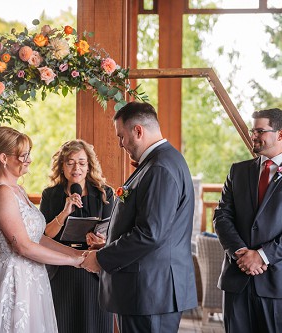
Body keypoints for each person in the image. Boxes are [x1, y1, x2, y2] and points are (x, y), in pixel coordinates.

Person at [82, 101, 198, 333]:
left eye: (121, 136)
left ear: (138, 131)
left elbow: (150, 234)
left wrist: (103, 258)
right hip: (148, 289)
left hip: (151, 291)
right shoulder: (160, 162)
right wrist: (110, 242)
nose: (120, 144)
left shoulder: (160, 168)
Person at [0, 126, 85, 333]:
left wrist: (77, 253)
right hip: (14, 279)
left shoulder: (18, 190)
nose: (29, 160)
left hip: (32, 277)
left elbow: (37, 238)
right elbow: (24, 247)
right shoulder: (2, 193)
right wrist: (74, 262)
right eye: (24, 155)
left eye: (29, 154)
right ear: (4, 158)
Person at [213, 108, 282, 333]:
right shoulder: (237, 171)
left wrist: (262, 256)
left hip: (280, 280)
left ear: (280, 135)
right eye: (253, 130)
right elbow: (222, 215)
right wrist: (240, 251)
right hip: (237, 276)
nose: (253, 135)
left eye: (260, 131)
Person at [40, 139, 114, 333]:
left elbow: (112, 233)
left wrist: (101, 242)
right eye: (70, 162)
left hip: (95, 267)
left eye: (81, 163)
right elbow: (45, 236)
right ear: (62, 166)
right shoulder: (51, 194)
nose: (76, 168)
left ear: (89, 166)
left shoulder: (105, 193)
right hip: (62, 269)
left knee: (95, 325)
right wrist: (64, 212)